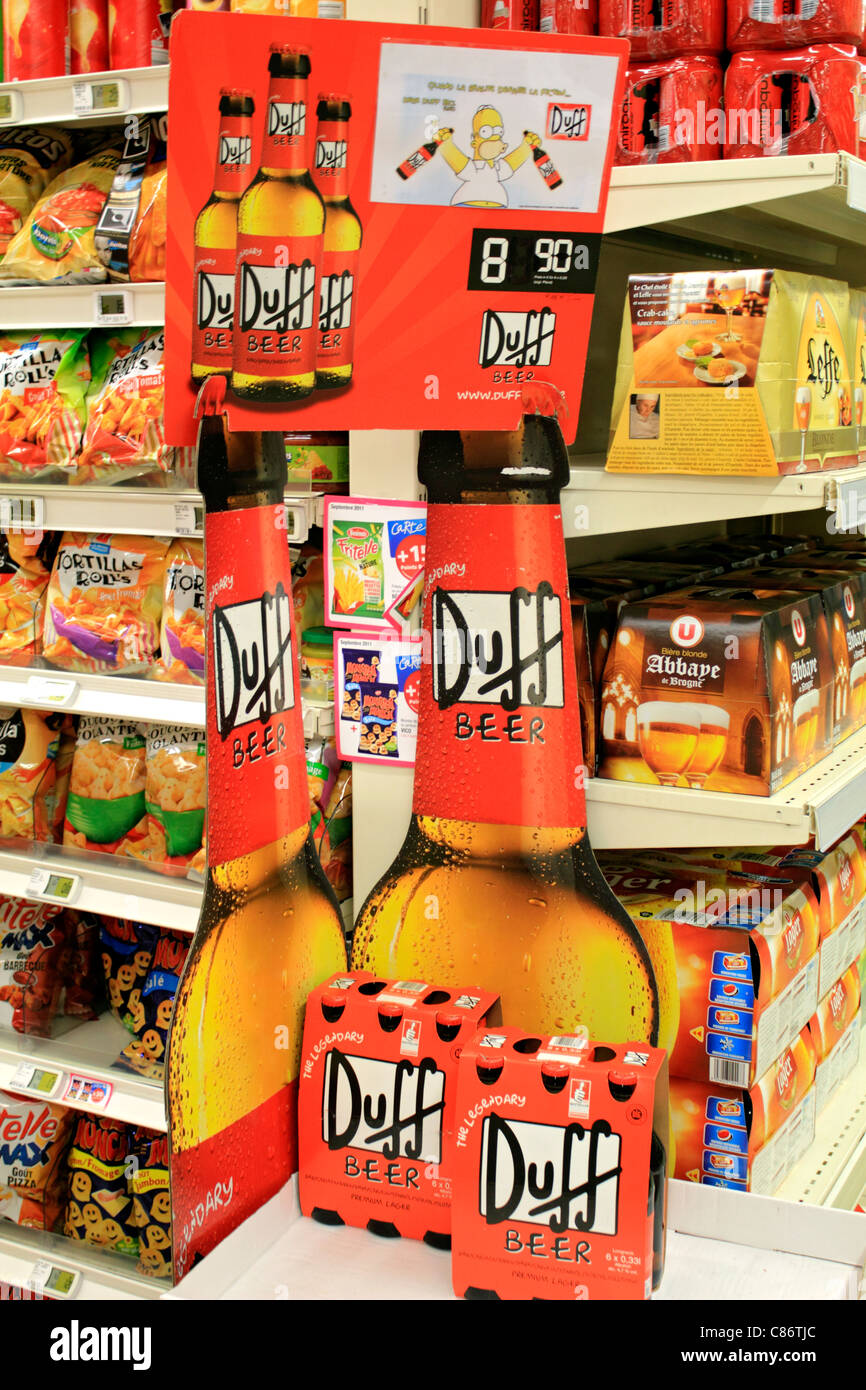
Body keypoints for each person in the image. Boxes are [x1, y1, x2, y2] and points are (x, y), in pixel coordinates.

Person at [437, 107, 541, 208]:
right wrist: (445, 143)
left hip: (498, 209)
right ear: (474, 142)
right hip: (467, 206)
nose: (495, 138)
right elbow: (454, 156)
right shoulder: (472, 169)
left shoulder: (498, 169)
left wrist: (526, 147)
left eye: (499, 131)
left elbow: (512, 163)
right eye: (486, 131)